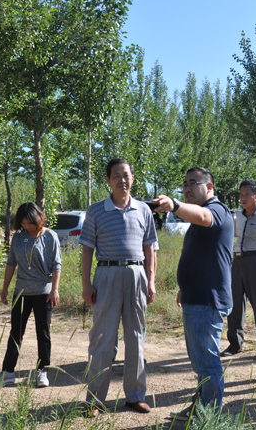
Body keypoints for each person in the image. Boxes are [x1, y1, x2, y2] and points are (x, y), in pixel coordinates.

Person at [152, 167, 234, 420]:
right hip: (195, 296)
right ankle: (200, 407)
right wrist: (183, 286)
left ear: (209, 187)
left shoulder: (217, 210)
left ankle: (208, 416)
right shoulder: (197, 218)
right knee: (201, 363)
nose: (187, 188)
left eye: (193, 183)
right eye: (184, 184)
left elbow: (203, 216)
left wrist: (174, 205)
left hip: (207, 300)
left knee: (207, 363)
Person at [80, 158, 157, 417]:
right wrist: (86, 284)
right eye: (116, 175)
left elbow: (150, 248)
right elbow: (87, 249)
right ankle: (94, 400)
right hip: (106, 274)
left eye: (126, 175)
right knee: (103, 338)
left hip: (137, 275)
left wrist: (151, 280)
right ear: (108, 180)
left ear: (133, 178)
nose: (122, 179)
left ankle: (135, 396)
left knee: (136, 337)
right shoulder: (96, 211)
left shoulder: (144, 210)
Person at [0, 202, 61, 388]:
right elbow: (11, 263)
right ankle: (8, 372)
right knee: (15, 333)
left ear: (39, 218)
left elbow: (57, 265)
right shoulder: (17, 237)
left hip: (44, 293)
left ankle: (42, 371)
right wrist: (5, 287)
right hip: (21, 293)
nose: (27, 226)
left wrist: (54, 290)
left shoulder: (50, 236)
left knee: (43, 333)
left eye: (30, 223)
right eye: (23, 223)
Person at [223, 179, 256, 360]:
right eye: (241, 194)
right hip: (237, 261)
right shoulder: (238, 215)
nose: (242, 198)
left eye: (247, 194)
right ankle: (235, 344)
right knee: (234, 304)